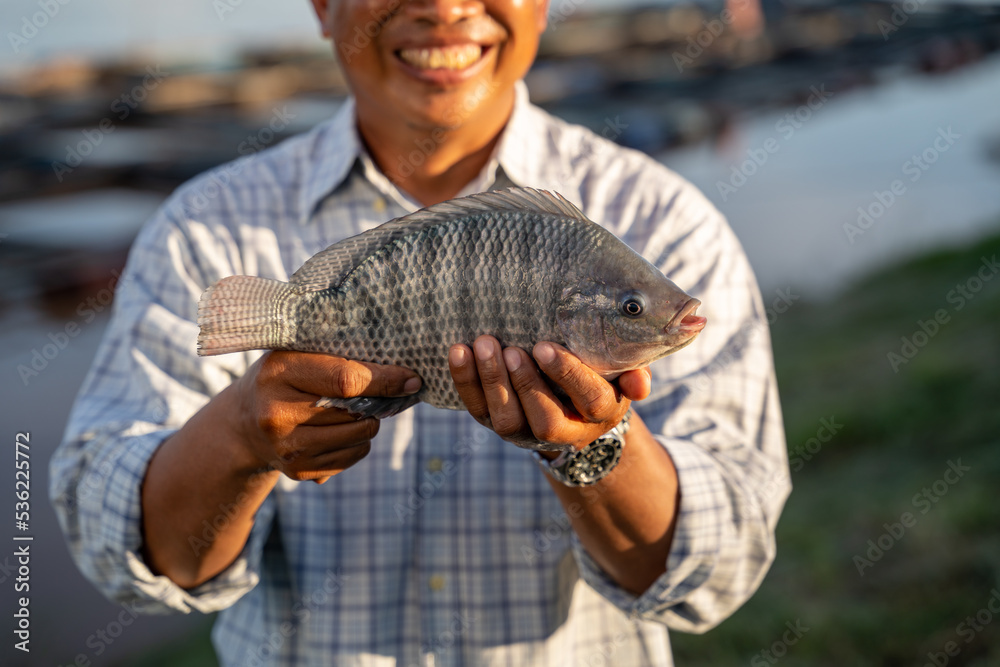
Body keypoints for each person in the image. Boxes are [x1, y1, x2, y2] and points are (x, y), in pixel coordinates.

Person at [50, 1, 790, 665]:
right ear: (321, 7)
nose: (444, 6)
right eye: (630, 310)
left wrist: (595, 448)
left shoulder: (665, 217)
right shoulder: (201, 228)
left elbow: (723, 569)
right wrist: (240, 438)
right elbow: (117, 551)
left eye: (631, 312)